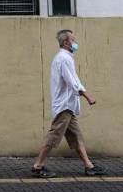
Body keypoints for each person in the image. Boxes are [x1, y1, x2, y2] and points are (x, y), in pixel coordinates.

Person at [31, 29, 106, 178]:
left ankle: (89, 166)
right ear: (66, 42)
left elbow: (74, 79)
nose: (75, 42)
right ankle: (38, 166)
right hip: (64, 105)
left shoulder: (65, 57)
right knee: (54, 135)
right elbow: (72, 82)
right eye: (73, 40)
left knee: (76, 137)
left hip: (68, 106)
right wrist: (87, 96)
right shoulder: (64, 59)